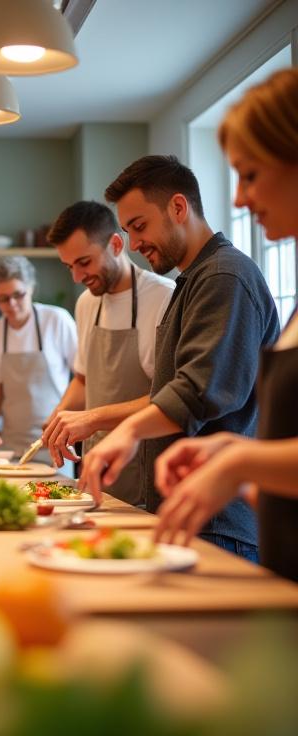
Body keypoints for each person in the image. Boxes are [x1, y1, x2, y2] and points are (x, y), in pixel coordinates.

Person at [79, 155, 279, 560]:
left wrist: (127, 431)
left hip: (219, 521)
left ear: (178, 207)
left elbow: (200, 390)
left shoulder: (224, 276)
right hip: (193, 510)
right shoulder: (194, 280)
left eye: (139, 226)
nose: (134, 245)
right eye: (128, 231)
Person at [152, 68, 298, 581]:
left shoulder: (227, 273)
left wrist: (238, 464)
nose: (237, 198)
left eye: (251, 173)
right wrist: (233, 453)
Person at [43, 201, 174, 506]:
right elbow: (83, 380)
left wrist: (91, 418)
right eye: (69, 266)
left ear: (116, 244)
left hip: (146, 470)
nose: (77, 277)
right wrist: (58, 419)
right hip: (95, 470)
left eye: (84, 262)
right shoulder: (87, 303)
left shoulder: (164, 297)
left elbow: (168, 397)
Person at [0, 255, 77, 463]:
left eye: (18, 295)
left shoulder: (56, 320)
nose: (12, 304)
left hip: (55, 441)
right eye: (3, 298)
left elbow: (82, 379)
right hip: (10, 445)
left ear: (31, 288)